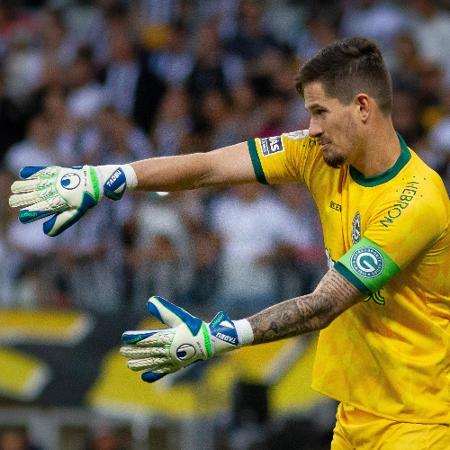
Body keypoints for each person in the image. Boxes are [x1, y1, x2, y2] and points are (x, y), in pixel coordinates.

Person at [9, 37, 450, 449]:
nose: (310, 129)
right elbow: (209, 167)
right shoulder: (316, 155)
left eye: (319, 112)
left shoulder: (416, 200)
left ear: (362, 107)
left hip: (420, 421)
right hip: (358, 416)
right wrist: (109, 177)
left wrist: (217, 338)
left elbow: (325, 304)